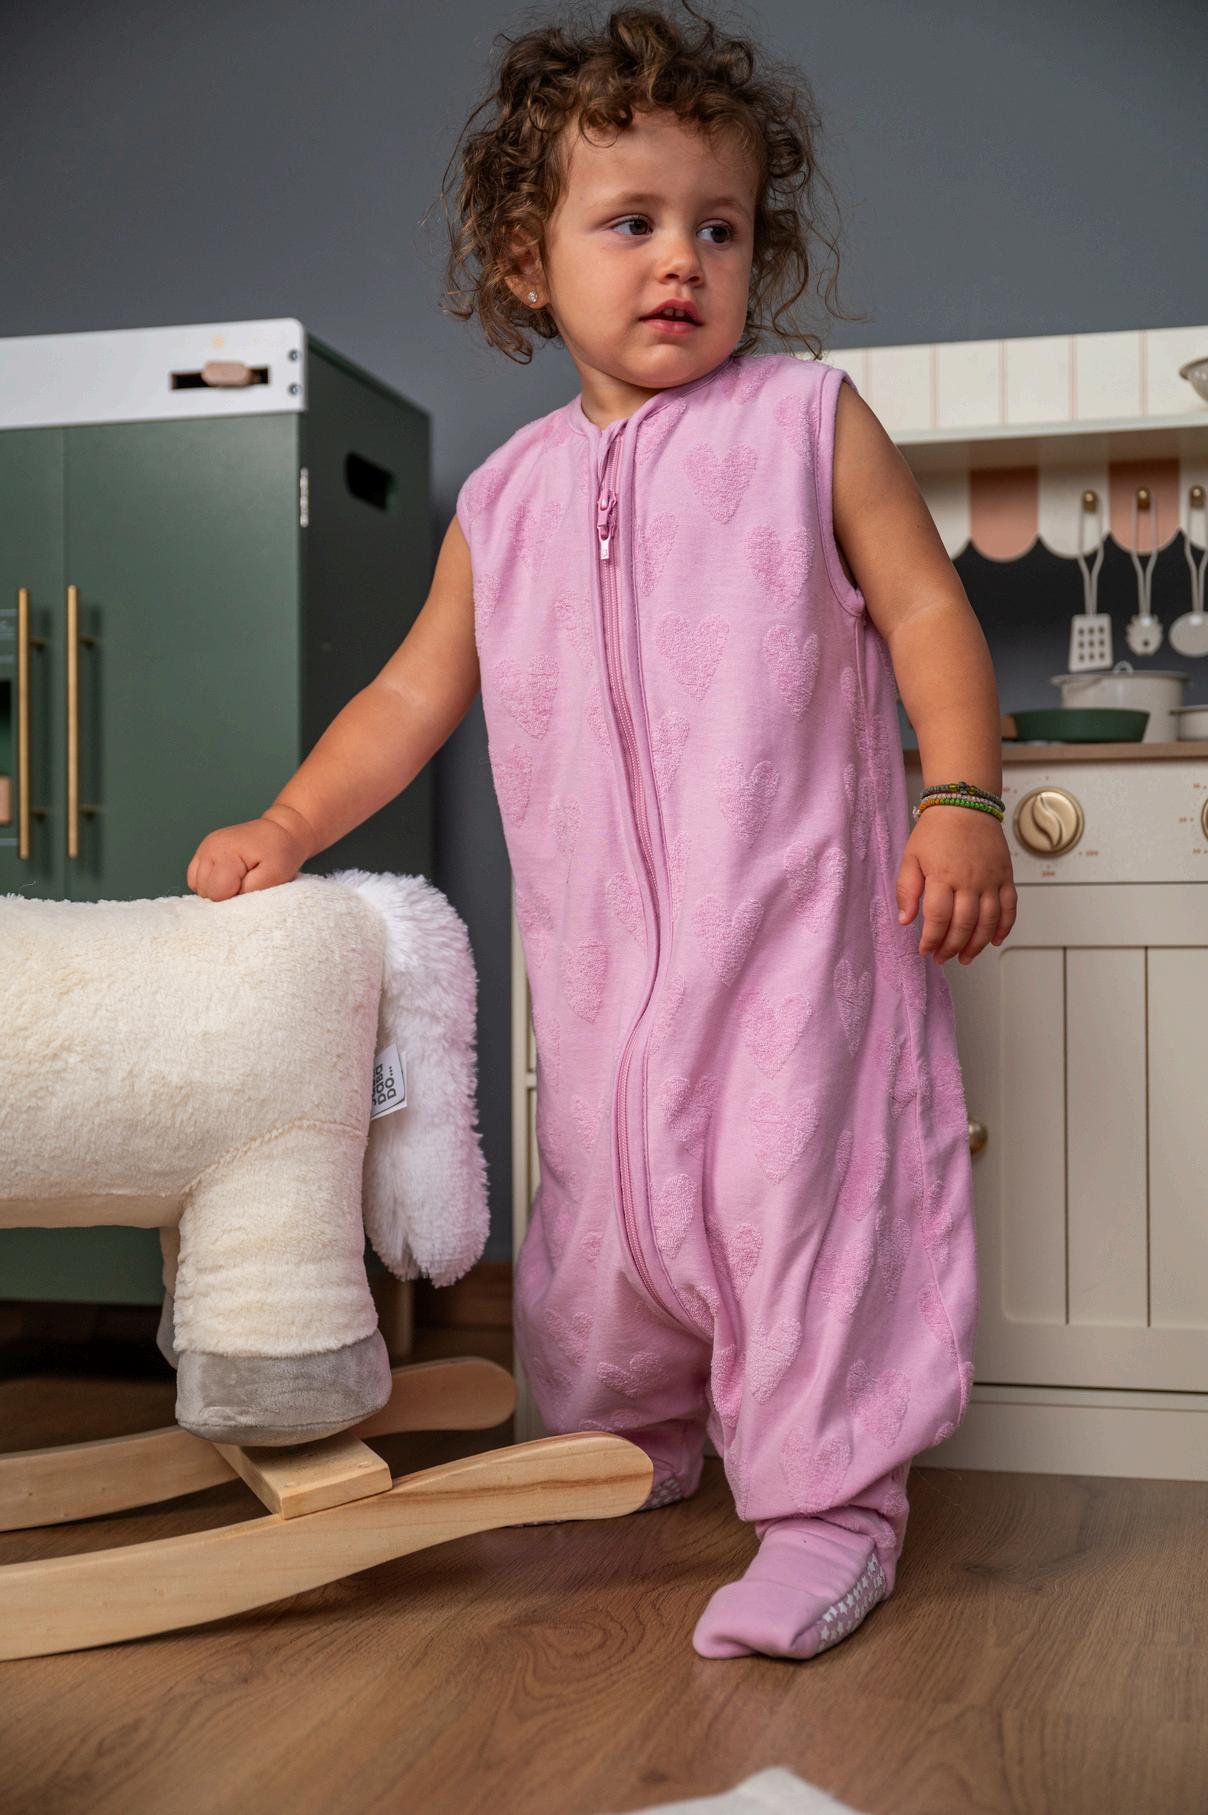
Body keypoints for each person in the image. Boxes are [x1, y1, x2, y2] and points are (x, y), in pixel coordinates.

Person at [188, 1, 1017, 1662]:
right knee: (606, 1220)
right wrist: (289, 817)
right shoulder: (505, 504)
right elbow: (410, 696)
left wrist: (960, 797)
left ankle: (833, 1508)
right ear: (528, 258)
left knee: (792, 1212)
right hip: (601, 971)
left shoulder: (803, 426)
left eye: (721, 227)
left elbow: (930, 609)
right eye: (630, 223)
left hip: (792, 939)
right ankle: (634, 1441)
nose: (681, 261)